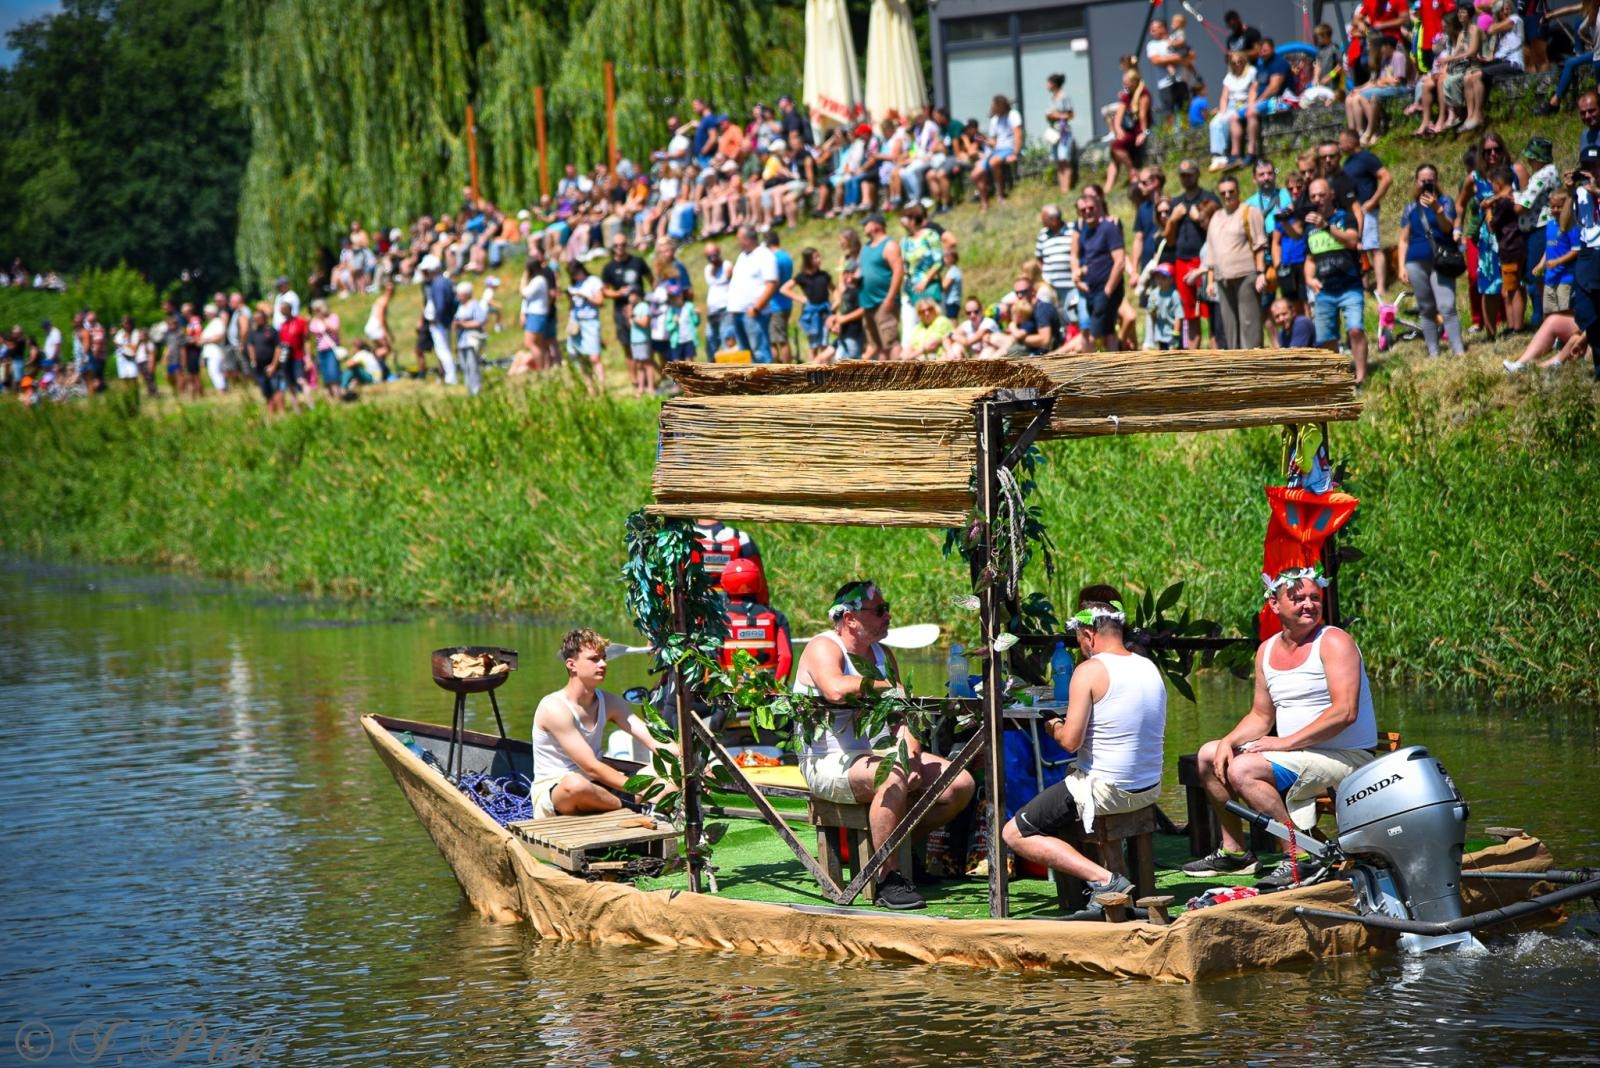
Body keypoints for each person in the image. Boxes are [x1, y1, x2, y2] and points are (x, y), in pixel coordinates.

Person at [1183, 566, 1380, 890]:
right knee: (1207, 755)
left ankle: (1303, 853)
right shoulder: (1267, 649)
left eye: (1315, 598)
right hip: (1298, 753)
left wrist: (1285, 742)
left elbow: (1345, 712)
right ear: (1274, 605)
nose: (1308, 605)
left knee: (1244, 770)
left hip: (1346, 757)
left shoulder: (1334, 641)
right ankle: (1236, 853)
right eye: (1297, 597)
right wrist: (1228, 741)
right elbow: (1261, 716)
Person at [793, 580, 976, 910]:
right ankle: (887, 877)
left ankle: (903, 852)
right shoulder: (823, 647)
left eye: (886, 608)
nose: (888, 615)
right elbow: (835, 689)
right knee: (891, 777)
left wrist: (912, 758)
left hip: (877, 756)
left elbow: (902, 719)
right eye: (879, 610)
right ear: (850, 618)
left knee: (959, 784)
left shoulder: (882, 654)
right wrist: (885, 685)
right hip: (829, 760)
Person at [1000, 599, 1165, 910]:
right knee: (1066, 789)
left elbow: (1069, 742)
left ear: (1089, 634)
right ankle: (1109, 885)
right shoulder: (1148, 666)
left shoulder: (1089, 671)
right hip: (1149, 788)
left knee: (1014, 833)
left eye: (1079, 639)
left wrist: (1052, 725)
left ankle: (1105, 879)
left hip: (1107, 791)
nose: (1081, 647)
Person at [529, 629, 673, 820]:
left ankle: (635, 802)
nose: (603, 664)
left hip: (600, 785)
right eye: (594, 659)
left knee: (673, 767)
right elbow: (591, 767)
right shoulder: (554, 707)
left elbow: (654, 741)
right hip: (560, 791)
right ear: (571, 665)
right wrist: (641, 786)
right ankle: (634, 806)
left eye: (604, 658)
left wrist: (692, 760)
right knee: (576, 784)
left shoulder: (610, 702)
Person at [1397, 162, 1467, 358]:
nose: (1427, 184)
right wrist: (1401, 266)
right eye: (1423, 181)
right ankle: (1433, 352)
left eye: (1431, 180)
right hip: (1415, 260)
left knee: (1447, 306)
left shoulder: (1446, 202)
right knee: (1426, 308)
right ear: (1416, 182)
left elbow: (1447, 228)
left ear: (1436, 181)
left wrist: (1437, 209)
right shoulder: (1410, 207)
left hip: (1441, 259)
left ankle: (1458, 350)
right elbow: (1403, 239)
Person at [1305, 177, 1370, 382]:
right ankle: (1338, 377)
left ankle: (1360, 376)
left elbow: (1352, 240)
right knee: (1327, 338)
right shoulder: (1309, 227)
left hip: (1350, 285)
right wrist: (1309, 278)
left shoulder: (1346, 217)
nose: (1317, 199)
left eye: (1321, 195)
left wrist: (1327, 227)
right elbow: (1309, 259)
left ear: (1331, 195)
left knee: (1356, 330)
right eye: (1313, 196)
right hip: (1324, 290)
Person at [1206, 176, 1268, 349]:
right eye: (1223, 192)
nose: (1227, 196)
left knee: (1250, 324)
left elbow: (1260, 244)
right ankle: (1236, 366)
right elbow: (1211, 251)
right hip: (1222, 278)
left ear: (1238, 191)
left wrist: (1261, 273)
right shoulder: (1216, 217)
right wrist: (1210, 281)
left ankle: (1253, 365)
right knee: (1230, 326)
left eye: (1231, 191)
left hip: (1246, 275)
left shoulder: (1249, 211)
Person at [1167, 160, 1220, 347]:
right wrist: (1172, 220)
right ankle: (1193, 354)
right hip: (1182, 261)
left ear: (1197, 174)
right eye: (1182, 175)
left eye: (1189, 174)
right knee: (1190, 312)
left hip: (1204, 260)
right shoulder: (1176, 203)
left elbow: (1219, 230)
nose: (1186, 178)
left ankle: (1215, 350)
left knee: (1211, 309)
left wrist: (1199, 219)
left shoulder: (1209, 198)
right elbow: (1169, 240)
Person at [717, 557, 794, 685]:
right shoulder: (776, 617)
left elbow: (715, 656)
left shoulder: (720, 618)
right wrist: (776, 690)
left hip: (731, 693)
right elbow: (786, 657)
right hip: (767, 692)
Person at [1341, 127, 1394, 301]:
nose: (1340, 145)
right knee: (1358, 248)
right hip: (1352, 212)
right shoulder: (1347, 162)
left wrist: (1372, 201)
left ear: (1351, 141)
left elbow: (1386, 177)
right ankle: (1363, 287)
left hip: (1367, 210)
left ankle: (1380, 287)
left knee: (1373, 247)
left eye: (1342, 141)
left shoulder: (1367, 158)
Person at [1562, 144, 1600, 379]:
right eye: (1586, 166)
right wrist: (1568, 194)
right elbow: (1565, 224)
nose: (1590, 171)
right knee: (1587, 312)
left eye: (1595, 166)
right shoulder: (1579, 193)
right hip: (1588, 253)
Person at [1075, 195, 1126, 351]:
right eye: (1083, 210)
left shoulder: (1109, 228)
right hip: (1093, 289)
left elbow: (1120, 261)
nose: (1088, 212)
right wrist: (1081, 273)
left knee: (1093, 336)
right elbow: (1096, 261)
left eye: (1091, 208)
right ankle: (1112, 370)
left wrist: (1107, 291)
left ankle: (1093, 370)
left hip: (1107, 290)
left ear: (1099, 208)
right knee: (1108, 332)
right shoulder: (1086, 233)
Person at [726, 225, 779, 364]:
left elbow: (771, 284)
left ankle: (767, 383)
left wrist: (757, 308)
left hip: (754, 313)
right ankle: (753, 385)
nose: (737, 242)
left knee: (760, 351)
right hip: (738, 312)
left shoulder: (765, 255)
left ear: (747, 239)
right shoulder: (742, 256)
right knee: (746, 353)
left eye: (739, 239)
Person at [858, 213, 904, 361]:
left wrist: (890, 298)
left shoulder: (889, 245)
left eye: (866, 224)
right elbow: (862, 270)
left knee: (890, 342)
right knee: (877, 344)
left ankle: (898, 377)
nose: (864, 227)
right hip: (868, 304)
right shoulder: (865, 248)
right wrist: (854, 277)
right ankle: (884, 379)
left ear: (875, 225)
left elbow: (899, 271)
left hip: (883, 302)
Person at [564, 259, 605, 391]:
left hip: (590, 321)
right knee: (580, 357)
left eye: (576, 273)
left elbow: (600, 302)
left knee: (594, 356)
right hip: (576, 322)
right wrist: (570, 298)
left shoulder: (593, 281)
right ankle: (590, 388)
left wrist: (586, 296)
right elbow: (570, 308)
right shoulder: (573, 285)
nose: (575, 276)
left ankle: (602, 388)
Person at [418, 255, 457, 385]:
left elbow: (440, 305)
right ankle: (449, 376)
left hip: (440, 322)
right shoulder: (444, 281)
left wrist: (437, 319)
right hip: (444, 320)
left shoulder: (438, 283)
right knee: (445, 349)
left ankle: (450, 377)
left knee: (443, 350)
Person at [453, 281, 488, 396]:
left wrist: (463, 325)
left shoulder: (474, 304)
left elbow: (480, 321)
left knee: (472, 365)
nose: (458, 296)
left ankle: (476, 389)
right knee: (464, 365)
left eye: (460, 294)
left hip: (471, 339)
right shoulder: (460, 306)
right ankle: (469, 390)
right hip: (461, 340)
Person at [1045, 73, 1077, 193]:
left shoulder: (1064, 97)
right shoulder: (1052, 98)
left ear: (1053, 84)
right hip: (1054, 132)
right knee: (1058, 160)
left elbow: (1071, 114)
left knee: (1064, 159)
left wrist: (1056, 115)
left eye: (1048, 83)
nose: (1046, 85)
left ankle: (1067, 188)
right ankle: (1062, 188)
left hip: (1064, 132)